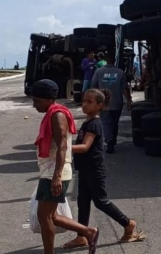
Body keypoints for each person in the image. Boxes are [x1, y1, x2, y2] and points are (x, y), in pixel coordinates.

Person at [62, 88, 145, 249]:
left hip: (94, 169)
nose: (85, 105)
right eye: (84, 101)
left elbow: (85, 147)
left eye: (89, 102)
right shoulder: (87, 122)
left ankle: (128, 224)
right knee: (83, 201)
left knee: (100, 201)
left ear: (100, 105)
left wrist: (65, 147)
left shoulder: (94, 124)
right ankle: (82, 235)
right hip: (85, 169)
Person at [30, 79, 100, 254]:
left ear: (48, 99)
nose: (34, 105)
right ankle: (88, 231)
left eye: (37, 100)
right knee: (51, 215)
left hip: (54, 172)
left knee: (44, 216)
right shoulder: (53, 113)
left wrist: (56, 176)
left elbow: (62, 145)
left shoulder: (57, 115)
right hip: (51, 170)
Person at [91, 51, 132, 153]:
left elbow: (93, 86)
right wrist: (129, 101)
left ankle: (109, 142)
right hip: (117, 102)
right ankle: (112, 141)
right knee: (114, 123)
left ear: (105, 60)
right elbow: (124, 89)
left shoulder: (98, 72)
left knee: (106, 123)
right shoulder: (120, 72)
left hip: (103, 102)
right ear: (114, 60)